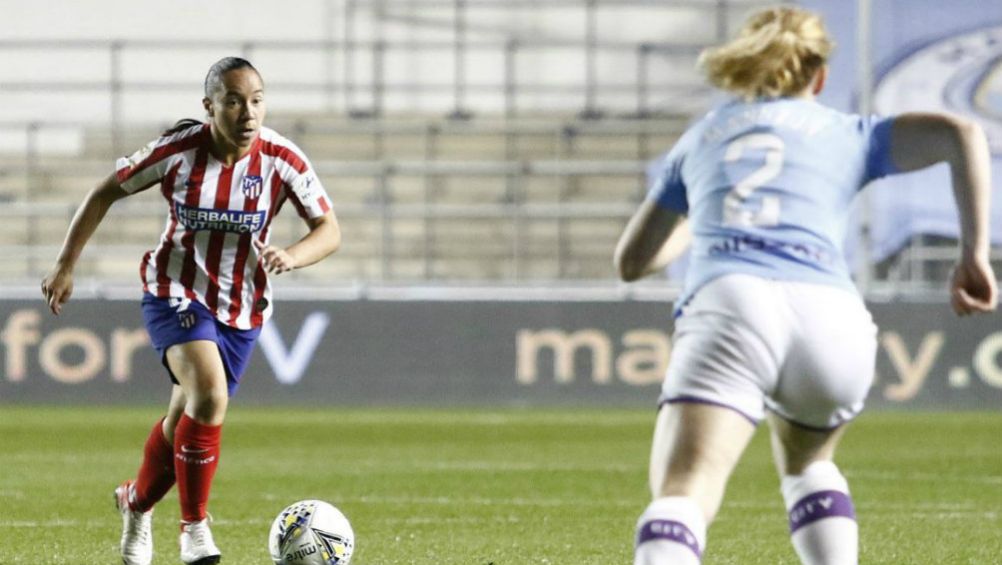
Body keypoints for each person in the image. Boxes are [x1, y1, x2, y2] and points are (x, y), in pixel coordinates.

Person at [614, 7, 997, 565]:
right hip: (830, 313)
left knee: (685, 492)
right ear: (818, 77)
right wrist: (973, 255)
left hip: (732, 301)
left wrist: (705, 218)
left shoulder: (703, 137)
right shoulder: (850, 131)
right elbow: (961, 131)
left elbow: (632, 261)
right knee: (808, 465)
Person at [40, 56, 341, 565]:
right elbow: (103, 192)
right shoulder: (178, 152)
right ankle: (194, 528)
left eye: (256, 101)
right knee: (209, 396)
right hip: (173, 291)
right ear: (209, 107)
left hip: (241, 307)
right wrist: (65, 265)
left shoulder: (282, 158)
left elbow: (329, 231)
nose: (248, 113)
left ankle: (135, 505)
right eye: (233, 101)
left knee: (185, 416)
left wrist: (292, 254)